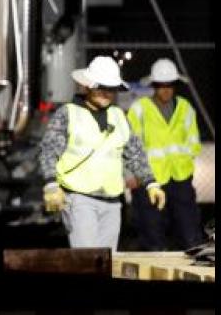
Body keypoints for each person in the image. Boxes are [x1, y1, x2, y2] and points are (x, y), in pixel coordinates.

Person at [38, 55, 166, 250]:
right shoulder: (68, 113)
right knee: (88, 261)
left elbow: (135, 152)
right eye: (101, 86)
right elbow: (49, 149)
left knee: (107, 262)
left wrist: (150, 183)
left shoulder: (119, 117)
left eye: (111, 88)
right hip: (78, 199)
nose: (106, 93)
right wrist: (51, 184)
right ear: (88, 85)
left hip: (112, 203)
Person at [127, 58, 205, 250]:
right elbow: (130, 145)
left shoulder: (185, 108)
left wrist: (183, 159)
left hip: (180, 178)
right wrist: (131, 174)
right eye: (161, 85)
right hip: (148, 179)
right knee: (152, 234)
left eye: (170, 85)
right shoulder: (140, 109)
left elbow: (193, 141)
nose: (166, 89)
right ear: (154, 85)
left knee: (190, 233)